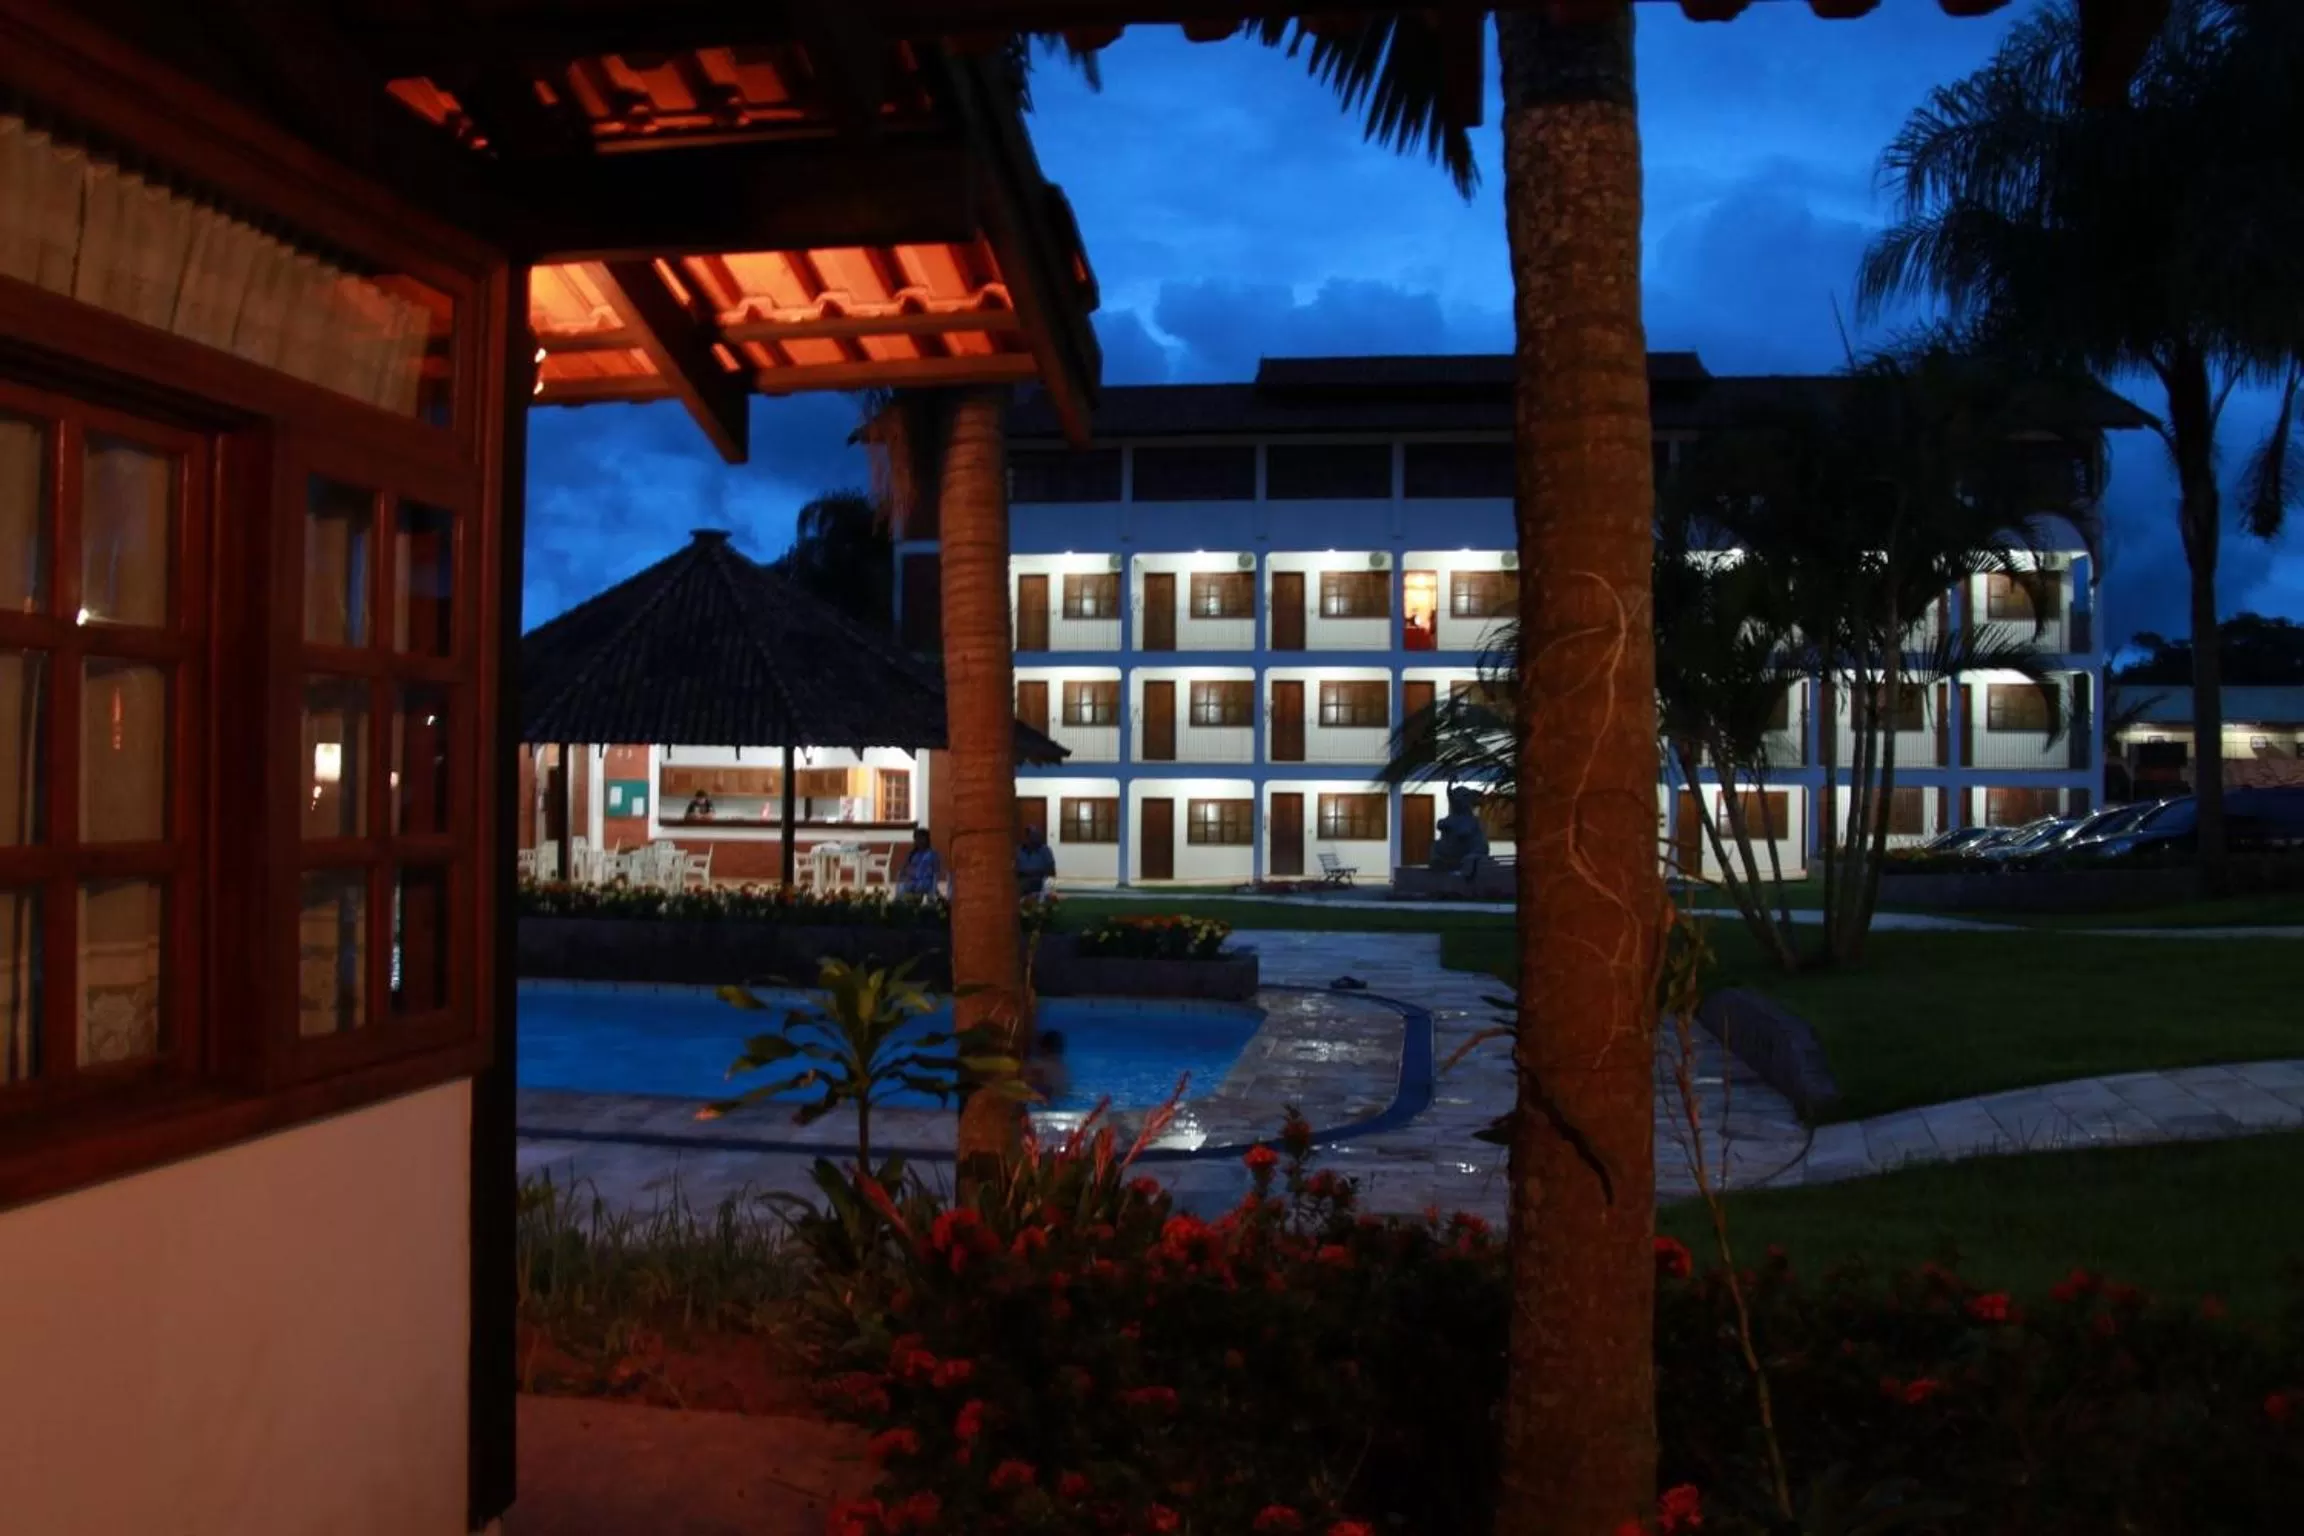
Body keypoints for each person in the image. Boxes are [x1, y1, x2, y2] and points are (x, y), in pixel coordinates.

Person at [1022, 1029, 1069, 1103]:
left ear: (1043, 1048)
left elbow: (1021, 1080)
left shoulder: (1037, 1065)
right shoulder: (1064, 1068)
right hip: (1059, 1099)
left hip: (1040, 1100)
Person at [897, 827, 945, 897]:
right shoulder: (912, 854)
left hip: (926, 882)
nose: (919, 841)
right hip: (913, 881)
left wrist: (934, 888)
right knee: (902, 887)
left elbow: (936, 872)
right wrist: (905, 875)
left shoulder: (932, 854)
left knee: (919, 887)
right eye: (917, 838)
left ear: (927, 839)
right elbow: (903, 869)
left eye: (922, 838)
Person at [1016, 823, 1057, 899]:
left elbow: (1051, 869)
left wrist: (1035, 874)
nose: (1032, 838)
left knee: (1049, 883)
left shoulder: (1045, 850)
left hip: (1040, 879)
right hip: (1023, 880)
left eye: (1034, 835)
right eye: (1029, 836)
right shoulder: (1018, 850)